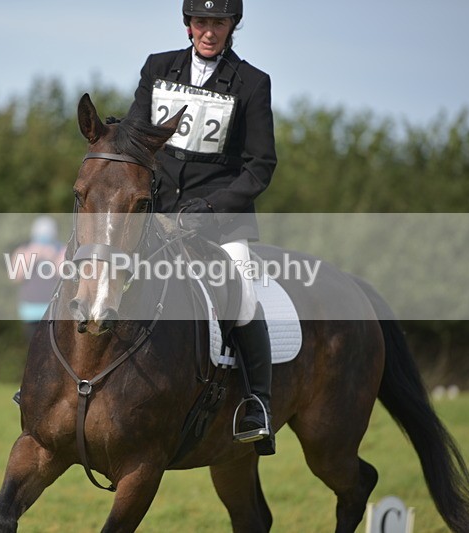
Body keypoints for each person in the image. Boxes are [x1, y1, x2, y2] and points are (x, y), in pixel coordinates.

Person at [128, 0, 277, 455]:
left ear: (232, 26)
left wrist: (210, 207)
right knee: (98, 265)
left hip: (219, 219)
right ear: (188, 25)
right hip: (156, 213)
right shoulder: (158, 68)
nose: (209, 31)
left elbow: (260, 165)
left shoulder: (252, 82)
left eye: (218, 22)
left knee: (243, 295)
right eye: (201, 22)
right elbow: (135, 136)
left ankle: (257, 403)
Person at [10, 216, 65, 406]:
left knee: (56, 352)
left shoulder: (61, 250)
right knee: (34, 353)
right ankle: (29, 389)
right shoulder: (24, 251)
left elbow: (65, 274)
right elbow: (15, 276)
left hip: (54, 311)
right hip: (30, 312)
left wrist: (53, 258)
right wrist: (32, 256)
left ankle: (55, 389)